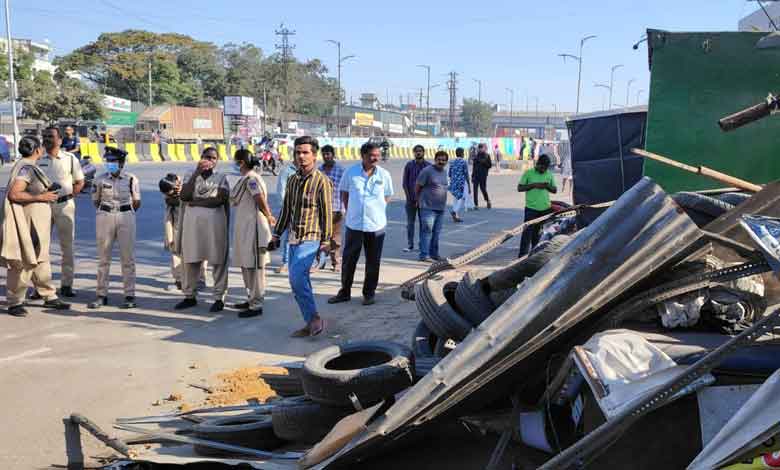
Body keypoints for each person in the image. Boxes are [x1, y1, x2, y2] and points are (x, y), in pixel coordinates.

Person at [0, 136, 70, 316]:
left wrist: (44, 193)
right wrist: (41, 197)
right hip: (29, 221)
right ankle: (15, 302)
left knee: (41, 258)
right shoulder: (27, 169)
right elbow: (15, 194)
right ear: (37, 150)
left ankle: (48, 294)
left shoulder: (26, 166)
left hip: (38, 222)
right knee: (25, 260)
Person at [271, 136, 332, 338]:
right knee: (296, 280)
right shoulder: (292, 180)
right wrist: (277, 233)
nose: (301, 156)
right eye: (297, 152)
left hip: (312, 237)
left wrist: (326, 242)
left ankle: (314, 319)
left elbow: (327, 214)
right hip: (294, 238)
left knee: (297, 277)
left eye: (305, 152)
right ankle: (309, 321)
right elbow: (286, 209)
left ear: (314, 155)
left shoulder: (322, 181)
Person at [328, 142, 393, 306]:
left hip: (376, 226)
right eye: (372, 155)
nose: (375, 158)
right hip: (354, 225)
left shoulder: (384, 174)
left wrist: (376, 210)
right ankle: (345, 292)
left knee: (373, 261)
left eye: (377, 155)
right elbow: (344, 193)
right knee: (349, 260)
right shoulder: (351, 172)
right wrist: (351, 211)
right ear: (363, 156)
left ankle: (369, 293)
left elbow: (388, 195)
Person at [174, 147, 230, 312]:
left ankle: (219, 298)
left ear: (217, 161)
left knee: (218, 261)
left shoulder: (221, 177)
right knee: (190, 260)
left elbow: (219, 200)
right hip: (193, 227)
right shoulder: (190, 174)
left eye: (213, 158)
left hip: (215, 227)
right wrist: (197, 172)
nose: (209, 160)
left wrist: (197, 202)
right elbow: (184, 196)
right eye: (206, 157)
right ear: (200, 158)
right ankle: (189, 296)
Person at [88, 147, 141, 309]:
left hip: (126, 216)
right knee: (103, 258)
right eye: (108, 161)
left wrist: (124, 212)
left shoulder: (131, 179)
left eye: (114, 161)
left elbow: (137, 201)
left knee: (128, 259)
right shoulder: (99, 180)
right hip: (105, 216)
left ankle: (129, 295)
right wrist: (109, 211)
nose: (110, 164)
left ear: (122, 163)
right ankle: (101, 294)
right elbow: (96, 201)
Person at [36, 126, 85, 298]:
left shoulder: (70, 158)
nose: (47, 139)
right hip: (41, 206)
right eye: (45, 136)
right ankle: (40, 286)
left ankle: (66, 285)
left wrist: (69, 196)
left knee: (67, 247)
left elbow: (79, 182)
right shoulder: (37, 158)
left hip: (64, 206)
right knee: (39, 247)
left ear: (60, 140)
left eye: (50, 136)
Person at [230, 149, 275, 318]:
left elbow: (259, 198)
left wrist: (269, 215)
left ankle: (256, 304)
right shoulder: (246, 178)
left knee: (256, 266)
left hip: (254, 227)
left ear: (241, 162)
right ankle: (251, 298)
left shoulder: (251, 179)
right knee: (247, 264)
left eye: (236, 161)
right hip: (246, 226)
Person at [517, 154, 558, 257]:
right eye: (542, 167)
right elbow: (520, 188)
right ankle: (522, 256)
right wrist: (534, 185)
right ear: (538, 164)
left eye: (545, 168)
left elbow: (554, 190)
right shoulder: (528, 173)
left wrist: (546, 186)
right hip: (531, 209)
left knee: (538, 234)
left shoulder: (549, 174)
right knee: (527, 234)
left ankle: (535, 255)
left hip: (545, 209)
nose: (543, 170)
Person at [416, 151, 449, 262]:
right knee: (427, 231)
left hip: (440, 208)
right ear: (435, 159)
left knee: (436, 232)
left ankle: (434, 254)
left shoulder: (444, 172)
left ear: (446, 162)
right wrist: (417, 200)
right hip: (427, 207)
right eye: (439, 159)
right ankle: (424, 255)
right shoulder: (427, 171)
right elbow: (418, 186)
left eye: (444, 160)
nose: (441, 162)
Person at [318, 144, 345, 272]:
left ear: (333, 155)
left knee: (335, 237)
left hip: (336, 208)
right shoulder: (319, 170)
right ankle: (321, 262)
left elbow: (344, 190)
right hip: (321, 209)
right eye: (324, 154)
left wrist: (342, 208)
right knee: (321, 236)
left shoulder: (340, 170)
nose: (326, 156)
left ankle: (336, 262)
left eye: (328, 154)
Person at [401, 145, 429, 253]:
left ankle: (422, 245)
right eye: (416, 151)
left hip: (424, 201)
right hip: (411, 200)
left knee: (424, 224)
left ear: (423, 152)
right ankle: (410, 245)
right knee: (410, 223)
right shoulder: (409, 165)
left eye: (420, 151)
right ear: (413, 153)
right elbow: (405, 183)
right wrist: (409, 198)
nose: (418, 153)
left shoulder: (428, 166)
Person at [273, 155, 298, 274]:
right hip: (290, 210)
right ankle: (286, 262)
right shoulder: (287, 171)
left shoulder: (306, 171)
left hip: (305, 211)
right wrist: (286, 209)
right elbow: (281, 191)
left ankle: (299, 262)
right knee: (289, 237)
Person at [448, 147, 470, 223]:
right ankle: (454, 211)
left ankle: (456, 217)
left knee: (455, 199)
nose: (464, 154)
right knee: (462, 198)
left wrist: (453, 180)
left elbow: (449, 174)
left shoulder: (452, 162)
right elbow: (466, 174)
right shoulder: (464, 162)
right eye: (463, 153)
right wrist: (469, 185)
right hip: (461, 183)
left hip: (453, 182)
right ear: (461, 153)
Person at [472, 143, 492, 210]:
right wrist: (472, 176)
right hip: (476, 175)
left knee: (483, 189)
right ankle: (476, 204)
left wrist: (483, 162)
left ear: (484, 148)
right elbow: (474, 167)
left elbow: (490, 165)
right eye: (479, 148)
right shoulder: (476, 156)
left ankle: (488, 200)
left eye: (481, 148)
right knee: (475, 190)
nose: (480, 149)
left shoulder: (487, 156)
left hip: (483, 175)